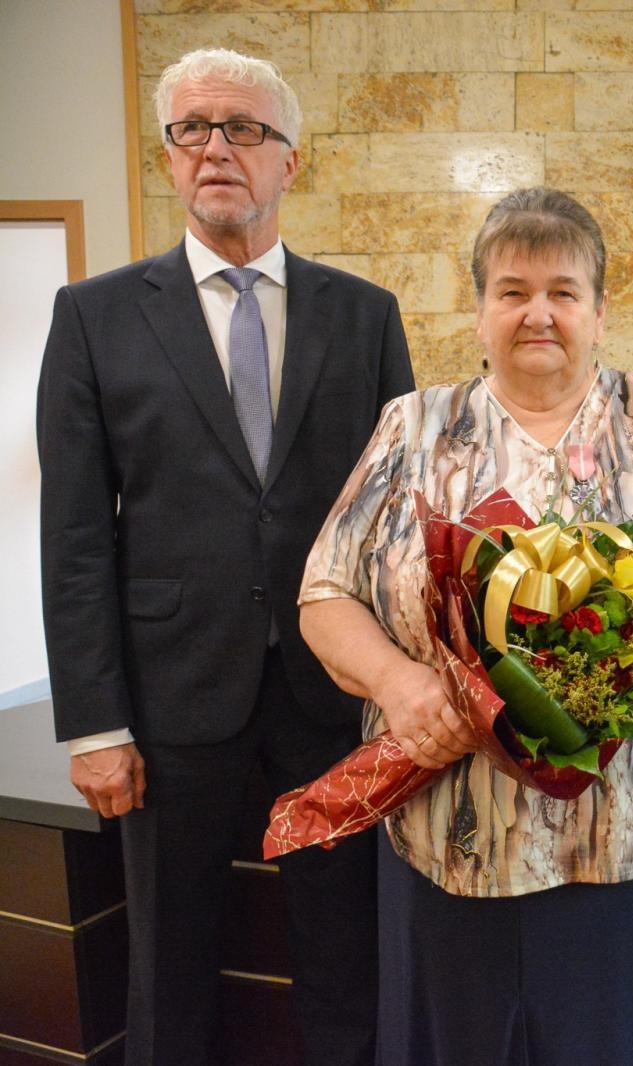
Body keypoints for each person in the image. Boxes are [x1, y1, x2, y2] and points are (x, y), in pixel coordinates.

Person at [36, 47, 412, 1066]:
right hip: (168, 701)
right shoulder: (94, 316)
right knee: (170, 961)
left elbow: (393, 522)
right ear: (168, 157)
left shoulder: (365, 315)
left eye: (243, 129)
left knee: (346, 949)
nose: (216, 149)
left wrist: (403, 690)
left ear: (291, 160)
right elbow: (73, 534)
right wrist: (95, 721)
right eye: (192, 128)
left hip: (333, 696)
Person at [296, 187, 633, 1064]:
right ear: (479, 309)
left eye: (564, 292)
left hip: (630, 834)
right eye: (512, 290)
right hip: (450, 836)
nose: (539, 313)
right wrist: (403, 684)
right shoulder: (413, 426)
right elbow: (325, 592)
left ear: (600, 313)